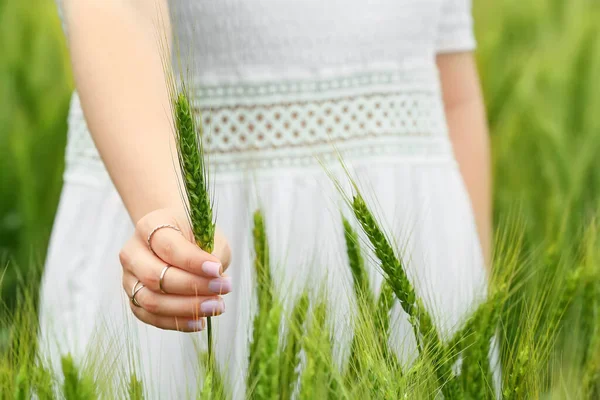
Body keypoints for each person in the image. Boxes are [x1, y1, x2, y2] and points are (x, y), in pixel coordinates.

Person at [40, 0, 493, 398]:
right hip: (190, 274)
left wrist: (476, 306)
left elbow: (451, 82)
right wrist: (168, 223)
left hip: (417, 274)